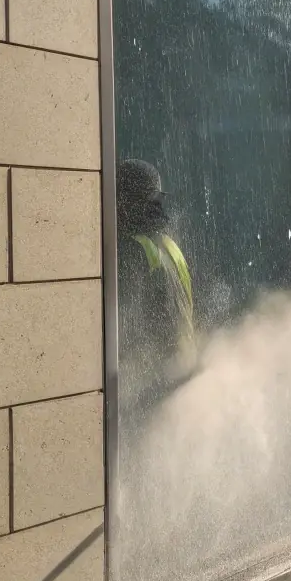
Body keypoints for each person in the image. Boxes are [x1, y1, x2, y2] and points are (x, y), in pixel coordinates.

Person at [116, 159, 195, 410]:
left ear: (126, 204)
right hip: (181, 363)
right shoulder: (168, 245)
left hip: (154, 377)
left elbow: (123, 324)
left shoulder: (131, 251)